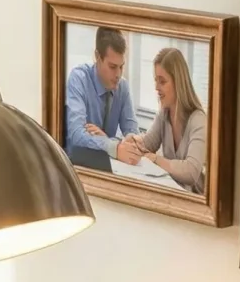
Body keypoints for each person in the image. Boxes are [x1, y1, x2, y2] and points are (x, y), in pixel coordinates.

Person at [138, 46, 209, 193]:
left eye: (162, 81)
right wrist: (124, 143)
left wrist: (156, 159)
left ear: (178, 83)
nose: (156, 88)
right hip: (172, 193)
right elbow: (147, 144)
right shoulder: (164, 114)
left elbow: (191, 172)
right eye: (155, 81)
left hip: (195, 202)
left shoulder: (198, 120)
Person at [65, 27, 140, 162]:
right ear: (98, 57)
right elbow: (76, 135)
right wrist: (113, 146)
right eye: (112, 67)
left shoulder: (123, 87)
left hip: (109, 167)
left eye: (121, 66)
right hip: (78, 166)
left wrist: (110, 141)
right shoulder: (79, 79)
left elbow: (133, 133)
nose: (118, 74)